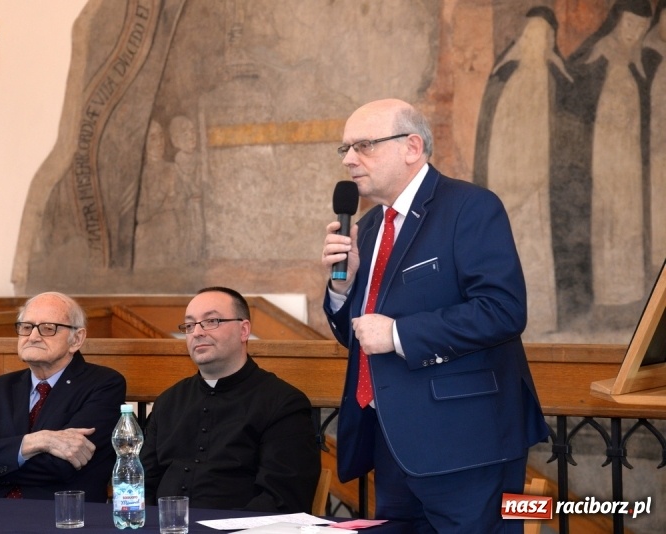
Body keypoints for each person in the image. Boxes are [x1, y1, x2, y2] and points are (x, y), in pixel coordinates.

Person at [321, 99, 548, 533]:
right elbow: (356, 335)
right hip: (392, 440)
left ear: (411, 146)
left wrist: (400, 333)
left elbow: (503, 310)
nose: (349, 159)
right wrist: (341, 288)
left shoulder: (470, 207)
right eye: (345, 148)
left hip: (466, 443)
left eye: (364, 145)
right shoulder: (367, 227)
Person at [140, 287, 320, 512]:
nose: (197, 332)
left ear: (244, 330)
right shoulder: (168, 401)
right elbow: (142, 483)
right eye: (190, 325)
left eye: (211, 321)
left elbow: (282, 498)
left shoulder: (283, 403)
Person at [0, 292, 127, 502]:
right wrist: (37, 441)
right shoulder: (0, 388)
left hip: (59, 515)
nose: (33, 337)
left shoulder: (103, 384)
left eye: (48, 328)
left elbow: (61, 466)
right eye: (26, 327)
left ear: (76, 339)